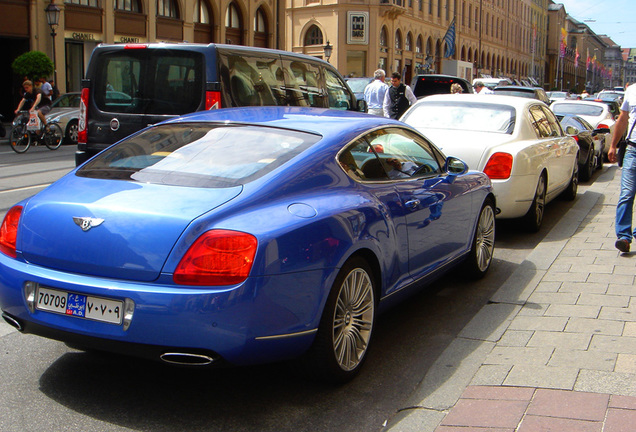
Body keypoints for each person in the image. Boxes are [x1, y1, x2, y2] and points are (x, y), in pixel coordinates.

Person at [608, 83, 636, 253]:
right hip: (632, 150)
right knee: (626, 193)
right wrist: (613, 145)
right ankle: (624, 237)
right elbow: (623, 119)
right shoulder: (632, 90)